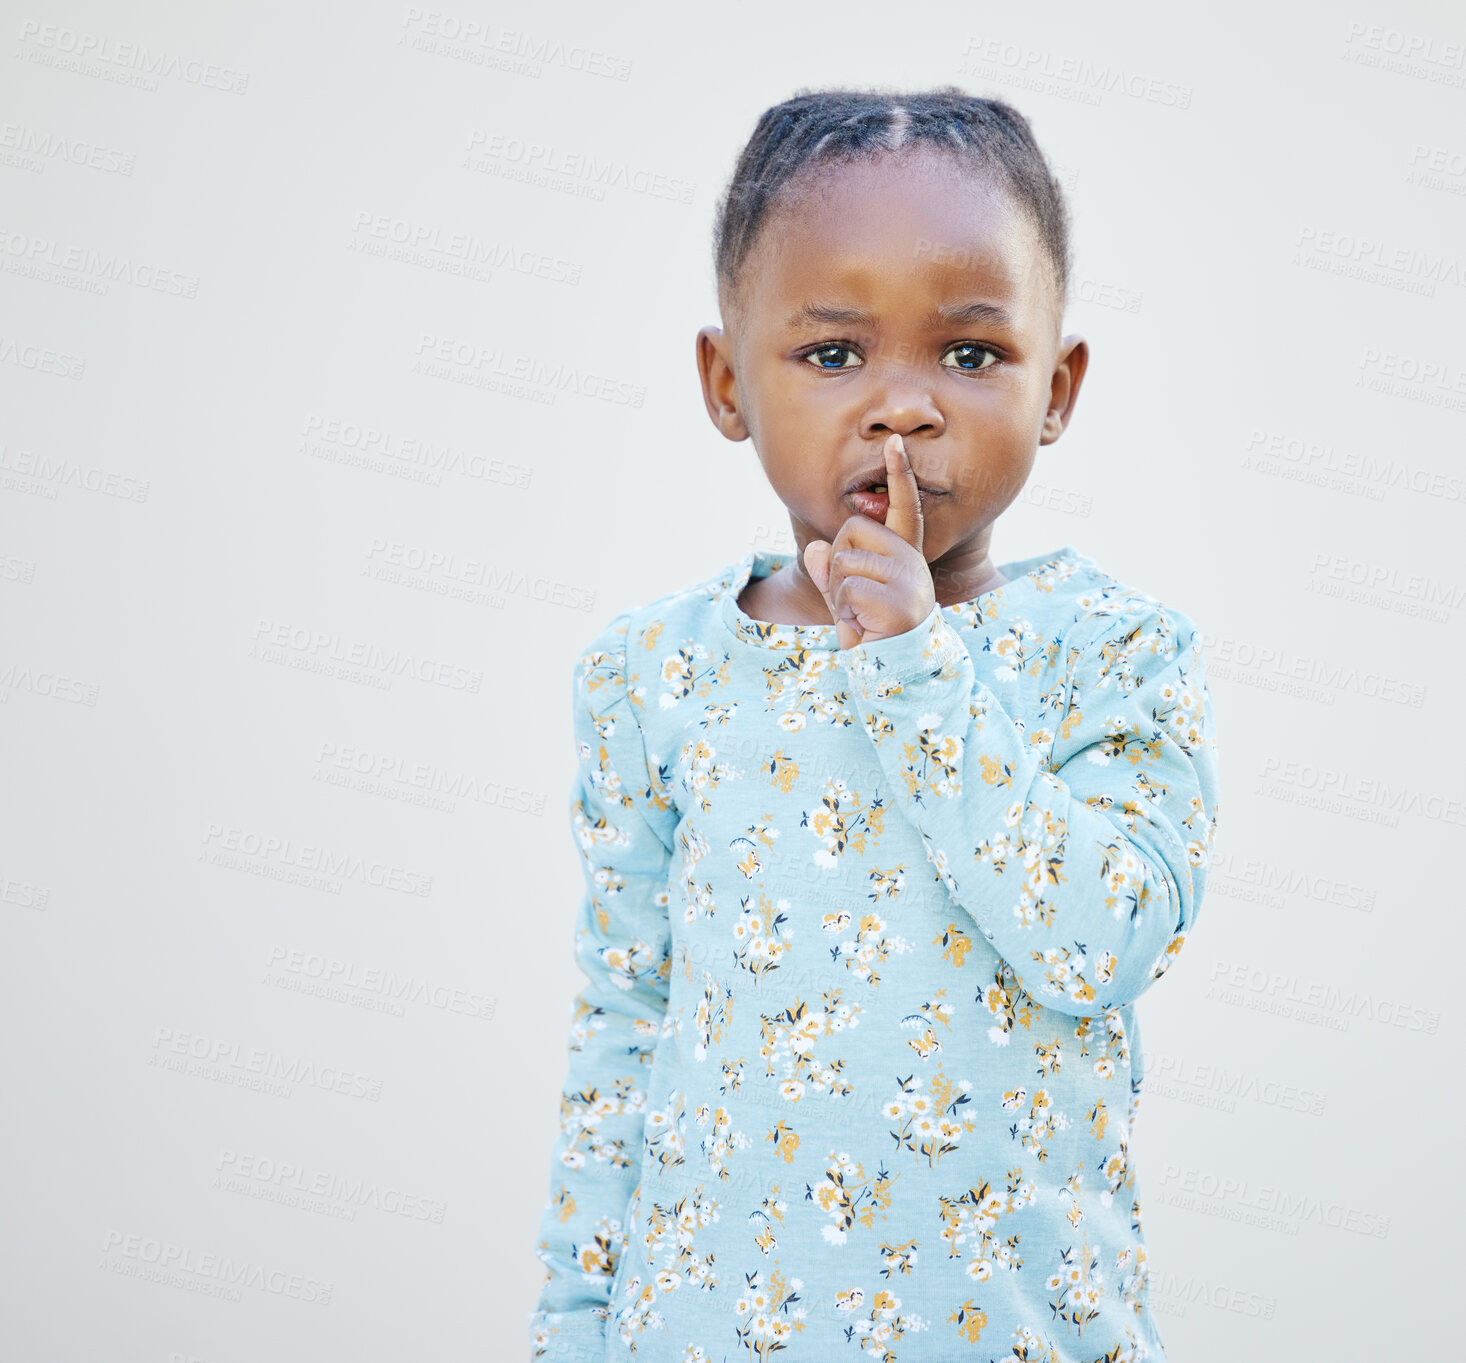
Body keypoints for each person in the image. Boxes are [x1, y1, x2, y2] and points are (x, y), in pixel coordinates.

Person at [527, 86, 1221, 1363]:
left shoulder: (1114, 655)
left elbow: (1096, 943)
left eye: (967, 354)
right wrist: (573, 1335)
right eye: (834, 354)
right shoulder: (650, 676)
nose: (902, 407)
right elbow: (621, 1038)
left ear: (1055, 385)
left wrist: (912, 663)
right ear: (725, 382)